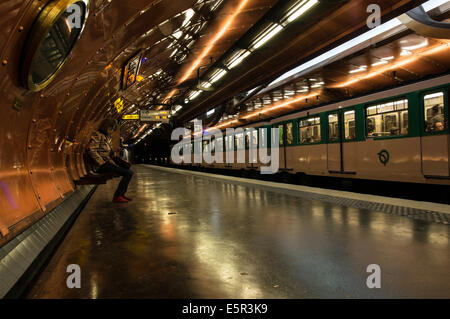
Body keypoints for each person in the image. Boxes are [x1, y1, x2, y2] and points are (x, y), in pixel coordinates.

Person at [88, 118, 134, 203]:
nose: (112, 131)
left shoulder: (106, 137)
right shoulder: (97, 135)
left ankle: (121, 194)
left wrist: (113, 152)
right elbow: (92, 150)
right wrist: (101, 162)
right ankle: (117, 196)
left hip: (106, 164)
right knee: (129, 173)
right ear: (106, 127)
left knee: (128, 172)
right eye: (111, 129)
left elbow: (105, 152)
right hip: (101, 166)